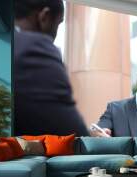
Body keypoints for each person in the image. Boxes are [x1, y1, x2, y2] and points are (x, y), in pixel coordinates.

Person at [14, 0, 89, 136]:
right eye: (58, 24)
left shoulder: (9, 41)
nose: (55, 35)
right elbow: (71, 133)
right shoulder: (35, 47)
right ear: (44, 16)